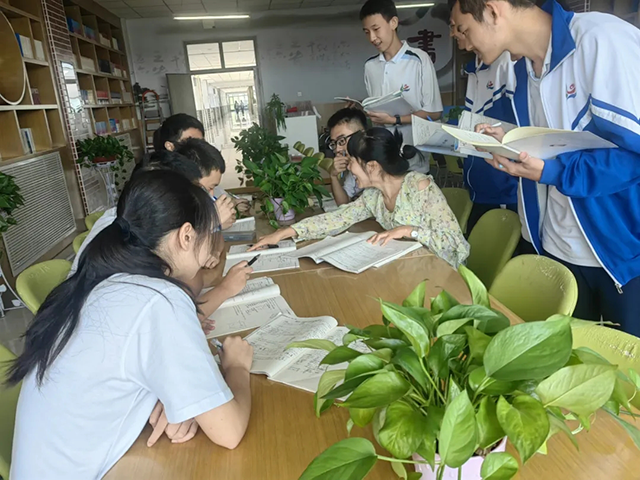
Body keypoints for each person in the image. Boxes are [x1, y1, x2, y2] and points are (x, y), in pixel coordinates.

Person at [7, 170, 254, 478]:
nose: (210, 252)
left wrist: (175, 396)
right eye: (209, 233)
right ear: (187, 236)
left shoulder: (103, 277)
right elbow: (229, 432)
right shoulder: (158, 299)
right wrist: (236, 367)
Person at [451, 0, 640, 333]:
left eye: (464, 29)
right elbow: (557, 142)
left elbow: (632, 155)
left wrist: (554, 172)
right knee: (569, 361)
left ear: (493, 10)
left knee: (626, 363)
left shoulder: (598, 41)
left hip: (620, 253)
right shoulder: (521, 71)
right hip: (556, 247)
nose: (464, 44)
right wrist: (509, 141)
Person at [250, 127, 469, 268]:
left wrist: (408, 230)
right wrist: (283, 233)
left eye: (352, 161)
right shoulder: (373, 196)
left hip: (440, 273)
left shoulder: (419, 186)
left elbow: (455, 245)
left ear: (372, 166)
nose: (348, 167)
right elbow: (337, 218)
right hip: (407, 268)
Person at [448, 2, 518, 233]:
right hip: (478, 183)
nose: (455, 34)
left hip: (503, 187)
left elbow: (519, 132)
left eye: (460, 27)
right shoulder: (474, 70)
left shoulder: (508, 63)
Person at [360, 0, 444, 162]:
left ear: (393, 23)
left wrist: (394, 120)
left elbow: (434, 113)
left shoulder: (419, 60)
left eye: (376, 29)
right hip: (382, 156)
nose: (372, 38)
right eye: (366, 32)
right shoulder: (370, 66)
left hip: (413, 155)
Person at [152, 113, 250, 217]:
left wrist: (231, 202)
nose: (198, 149)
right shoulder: (162, 186)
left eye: (201, 143)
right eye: (190, 142)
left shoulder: (200, 176)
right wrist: (215, 220)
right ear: (170, 147)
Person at [326, 108, 367, 206]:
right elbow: (343, 203)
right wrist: (333, 176)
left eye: (342, 141)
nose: (337, 149)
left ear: (361, 134)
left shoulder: (379, 162)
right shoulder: (353, 165)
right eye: (334, 143)